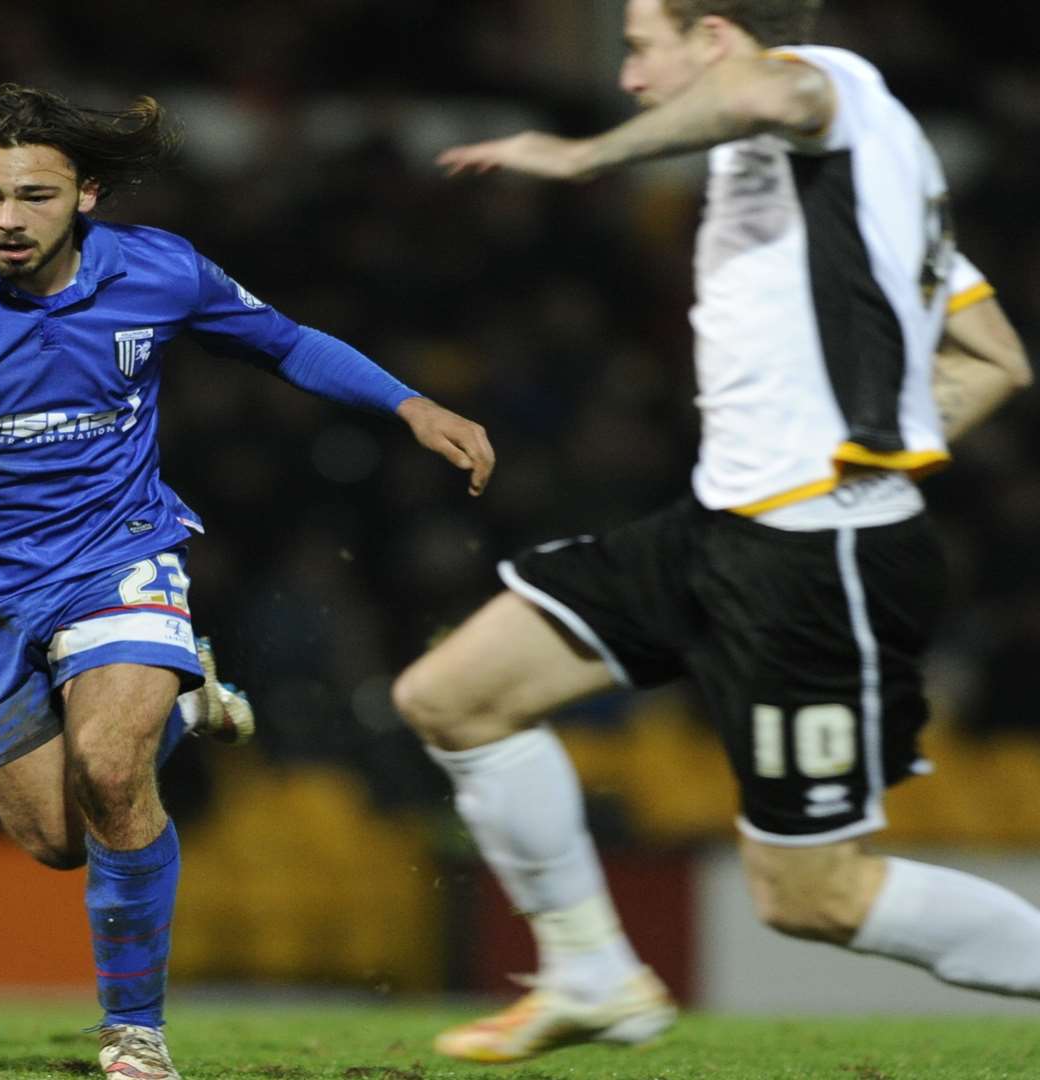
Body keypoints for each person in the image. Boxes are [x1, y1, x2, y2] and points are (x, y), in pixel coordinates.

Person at [0, 83, 494, 1080]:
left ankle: (135, 1032)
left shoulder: (159, 270)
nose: (9, 219)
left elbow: (284, 341)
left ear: (86, 193)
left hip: (118, 557)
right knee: (57, 838)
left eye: (36, 196)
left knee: (110, 773)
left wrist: (408, 405)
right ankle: (189, 701)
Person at [400, 0, 1034, 1064]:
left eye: (643, 50)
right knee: (454, 697)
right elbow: (994, 359)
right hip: (725, 526)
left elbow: (772, 86)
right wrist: (868, 435)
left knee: (813, 898)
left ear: (718, 35)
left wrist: (580, 156)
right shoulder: (844, 181)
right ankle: (593, 973)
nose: (632, 79)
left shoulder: (820, 89)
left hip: (813, 558)